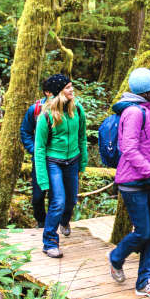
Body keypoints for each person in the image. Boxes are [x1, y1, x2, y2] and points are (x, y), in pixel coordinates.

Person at [108, 67, 150, 299]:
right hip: (134, 181)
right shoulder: (134, 113)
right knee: (143, 231)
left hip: (148, 181)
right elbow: (129, 149)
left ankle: (145, 281)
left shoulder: (145, 111)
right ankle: (116, 257)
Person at [34, 74, 87, 258]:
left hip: (72, 160)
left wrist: (83, 161)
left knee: (71, 200)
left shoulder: (77, 109)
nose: (72, 90)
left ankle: (64, 221)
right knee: (58, 202)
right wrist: (42, 177)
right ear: (58, 92)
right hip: (53, 161)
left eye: (71, 86)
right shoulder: (46, 115)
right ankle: (49, 242)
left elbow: (82, 137)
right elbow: (39, 148)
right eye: (67, 88)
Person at [19, 77, 54, 228]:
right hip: (40, 159)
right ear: (47, 92)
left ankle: (53, 224)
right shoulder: (36, 109)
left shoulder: (67, 109)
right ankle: (41, 221)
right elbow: (25, 131)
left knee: (56, 195)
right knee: (38, 196)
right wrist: (34, 150)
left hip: (58, 158)